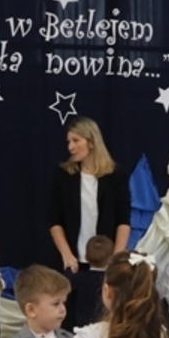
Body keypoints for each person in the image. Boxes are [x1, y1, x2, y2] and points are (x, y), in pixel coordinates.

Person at [48, 117, 131, 274]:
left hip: (106, 261)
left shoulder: (116, 176)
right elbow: (55, 220)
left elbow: (123, 220)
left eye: (76, 141)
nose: (70, 147)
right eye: (68, 142)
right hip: (72, 262)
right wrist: (67, 255)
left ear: (92, 142)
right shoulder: (63, 175)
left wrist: (116, 258)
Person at [69, 235, 113, 328]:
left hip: (82, 326)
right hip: (106, 326)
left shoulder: (77, 278)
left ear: (85, 256)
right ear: (111, 258)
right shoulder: (113, 281)